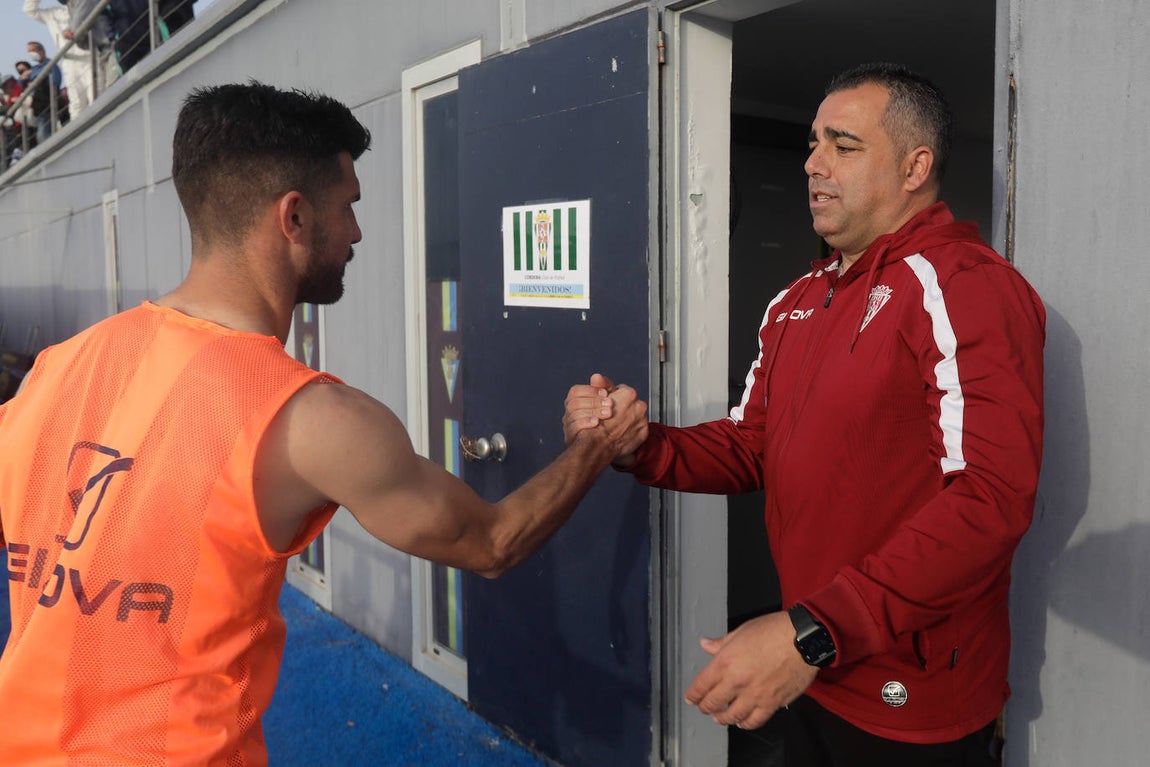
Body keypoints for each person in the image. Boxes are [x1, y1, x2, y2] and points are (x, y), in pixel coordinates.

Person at [0, 82, 647, 764]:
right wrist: (597, 443)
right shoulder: (311, 419)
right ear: (295, 216)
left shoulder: (55, 369)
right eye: (350, 208)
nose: (358, 232)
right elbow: (492, 542)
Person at [565, 62, 1045, 766]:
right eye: (813, 144)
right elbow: (753, 444)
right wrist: (640, 445)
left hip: (906, 693)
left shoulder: (964, 286)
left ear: (916, 166)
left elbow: (991, 498)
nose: (814, 164)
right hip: (815, 664)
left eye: (844, 146)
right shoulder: (797, 299)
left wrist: (813, 629)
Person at [23, 0, 95, 116]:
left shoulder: (85, 6)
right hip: (69, 62)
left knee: (95, 95)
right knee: (76, 103)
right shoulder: (52, 14)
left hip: (90, 58)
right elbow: (29, 10)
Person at [21, 41, 66, 143]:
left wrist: (37, 81)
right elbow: (21, 83)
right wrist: (23, 78)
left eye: (33, 50)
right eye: (29, 51)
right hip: (38, 108)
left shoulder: (51, 65)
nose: (31, 54)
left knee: (44, 135)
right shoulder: (34, 69)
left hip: (48, 106)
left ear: (42, 51)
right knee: (40, 136)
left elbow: (55, 82)